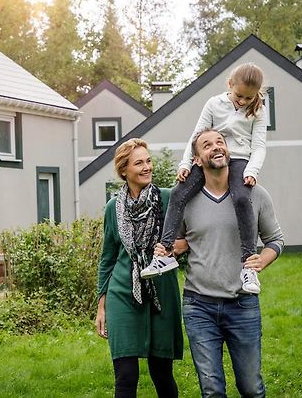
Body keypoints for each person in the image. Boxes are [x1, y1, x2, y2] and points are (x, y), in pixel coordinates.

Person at [155, 128, 283, 397]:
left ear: (228, 151)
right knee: (211, 390)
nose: (215, 147)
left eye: (220, 142)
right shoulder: (186, 202)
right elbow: (179, 242)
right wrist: (167, 251)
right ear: (197, 160)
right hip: (198, 305)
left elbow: (275, 240)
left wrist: (262, 261)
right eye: (206, 145)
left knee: (251, 388)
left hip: (242, 304)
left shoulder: (255, 193)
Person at [141, 63, 267, 294]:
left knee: (241, 199)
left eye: (248, 98)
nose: (242, 102)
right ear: (230, 84)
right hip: (208, 158)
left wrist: (252, 171)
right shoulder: (214, 104)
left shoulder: (258, 110)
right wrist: (186, 164)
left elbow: (259, 146)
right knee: (179, 192)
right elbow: (196, 136)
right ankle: (165, 253)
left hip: (238, 160)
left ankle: (249, 267)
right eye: (239, 96)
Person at [95, 138, 184, 398]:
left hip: (161, 291)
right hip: (123, 292)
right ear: (124, 170)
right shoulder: (114, 208)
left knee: (161, 373)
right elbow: (108, 258)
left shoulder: (167, 199)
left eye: (148, 161)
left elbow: (193, 236)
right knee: (126, 375)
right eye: (139, 163)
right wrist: (101, 306)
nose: (147, 167)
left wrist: (175, 248)